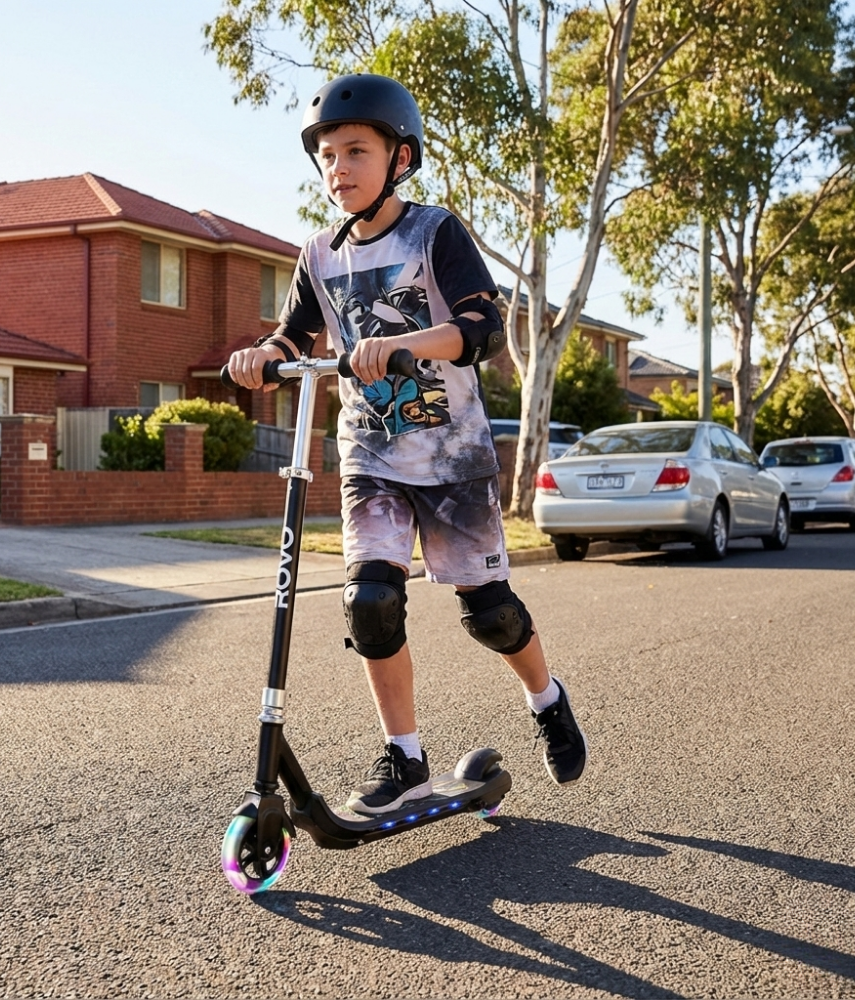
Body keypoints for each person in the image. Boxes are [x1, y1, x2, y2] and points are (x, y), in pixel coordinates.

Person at [228, 73, 587, 815]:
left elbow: (481, 328)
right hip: (371, 455)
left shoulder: (434, 233)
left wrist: (403, 343)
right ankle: (406, 759)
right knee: (369, 603)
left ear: (401, 157)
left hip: (452, 457)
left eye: (356, 150)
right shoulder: (318, 255)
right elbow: (295, 331)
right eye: (327, 155)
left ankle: (547, 699)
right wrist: (262, 355)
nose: (339, 168)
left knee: (489, 612)